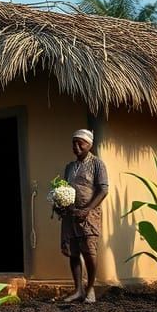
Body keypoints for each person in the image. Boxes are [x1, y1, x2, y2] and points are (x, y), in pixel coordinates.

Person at [58, 129, 108, 303]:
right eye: (74, 143)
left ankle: (90, 288)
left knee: (89, 252)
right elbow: (64, 189)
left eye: (81, 143)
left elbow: (103, 190)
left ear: (90, 145)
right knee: (73, 253)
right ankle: (78, 289)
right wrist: (61, 205)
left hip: (89, 215)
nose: (77, 146)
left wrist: (87, 209)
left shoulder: (97, 164)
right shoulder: (69, 167)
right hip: (70, 215)